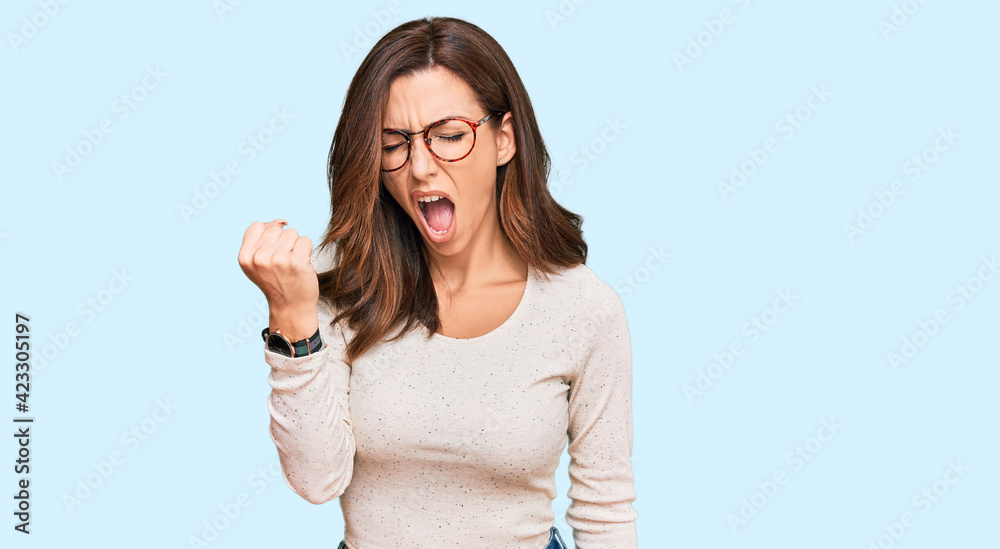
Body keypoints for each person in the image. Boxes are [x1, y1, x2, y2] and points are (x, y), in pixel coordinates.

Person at [238, 16, 638, 549]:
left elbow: (606, 513)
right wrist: (291, 319)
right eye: (393, 143)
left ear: (505, 139)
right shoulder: (342, 283)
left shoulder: (584, 310)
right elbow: (316, 481)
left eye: (449, 136)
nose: (420, 168)